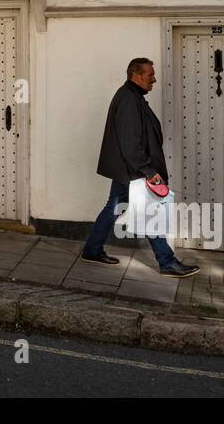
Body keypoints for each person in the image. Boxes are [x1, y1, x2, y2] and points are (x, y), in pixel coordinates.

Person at [80, 58, 200, 277]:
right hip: (134, 170)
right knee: (151, 210)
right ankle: (166, 262)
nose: (154, 79)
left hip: (129, 169)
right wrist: (148, 171)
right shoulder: (128, 99)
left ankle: (92, 249)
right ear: (136, 75)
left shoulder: (132, 96)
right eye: (150, 75)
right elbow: (130, 141)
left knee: (114, 206)